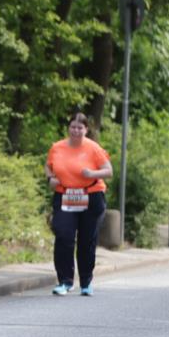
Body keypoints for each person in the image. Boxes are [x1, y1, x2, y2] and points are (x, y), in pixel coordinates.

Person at [44, 113, 113, 296]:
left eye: (79, 128)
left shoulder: (93, 148)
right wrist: (50, 178)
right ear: (68, 128)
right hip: (65, 194)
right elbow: (48, 166)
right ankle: (65, 282)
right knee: (64, 235)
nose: (76, 131)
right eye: (72, 127)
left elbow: (109, 171)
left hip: (91, 195)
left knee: (86, 240)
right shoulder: (57, 147)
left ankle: (86, 282)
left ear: (86, 130)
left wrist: (92, 173)